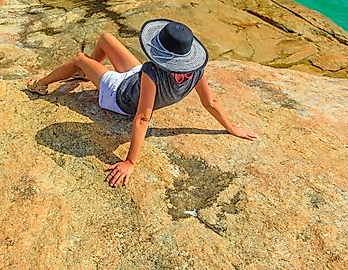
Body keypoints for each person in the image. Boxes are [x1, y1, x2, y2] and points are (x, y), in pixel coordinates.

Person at [28, 19, 258, 188]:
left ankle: (40, 84)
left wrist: (130, 161)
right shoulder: (195, 71)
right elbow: (210, 102)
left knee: (79, 58)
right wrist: (231, 128)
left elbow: (142, 117)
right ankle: (85, 73)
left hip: (118, 96)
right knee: (106, 38)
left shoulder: (152, 72)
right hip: (134, 80)